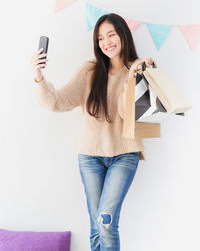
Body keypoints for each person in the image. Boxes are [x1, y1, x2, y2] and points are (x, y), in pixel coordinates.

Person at [30, 13, 154, 251]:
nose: (106, 42)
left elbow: (125, 112)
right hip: (90, 157)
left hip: (124, 155)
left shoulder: (140, 70)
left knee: (106, 223)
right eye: (100, 38)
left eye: (111, 35)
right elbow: (57, 102)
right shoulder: (89, 72)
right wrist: (38, 76)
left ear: (123, 36)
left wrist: (131, 78)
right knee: (96, 227)